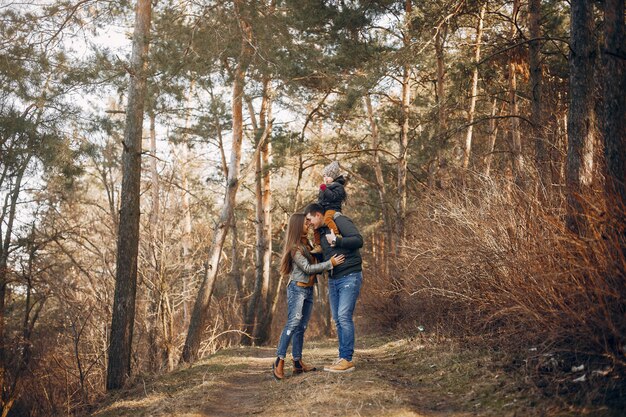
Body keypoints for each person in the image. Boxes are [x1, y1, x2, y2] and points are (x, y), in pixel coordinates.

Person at [272, 213, 345, 380]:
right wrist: (330, 263)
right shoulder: (294, 247)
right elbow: (307, 268)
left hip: (309, 289)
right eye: (306, 223)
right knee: (293, 323)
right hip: (297, 289)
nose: (309, 225)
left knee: (301, 327)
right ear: (298, 226)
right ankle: (279, 360)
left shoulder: (308, 243)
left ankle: (297, 363)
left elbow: (315, 265)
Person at [304, 202, 363, 373]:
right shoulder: (321, 232)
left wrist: (337, 240)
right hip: (334, 278)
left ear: (318, 214)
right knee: (337, 319)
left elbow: (358, 240)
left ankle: (347, 360)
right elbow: (329, 253)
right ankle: (342, 357)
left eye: (310, 219)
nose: (309, 224)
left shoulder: (339, 220)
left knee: (344, 316)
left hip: (349, 275)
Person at [312, 161, 347, 253]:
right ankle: (318, 245)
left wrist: (325, 189)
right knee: (315, 225)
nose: (325, 178)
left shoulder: (338, 186)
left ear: (334, 176)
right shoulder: (326, 186)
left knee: (327, 219)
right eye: (324, 176)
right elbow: (321, 200)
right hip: (324, 209)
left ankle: (336, 235)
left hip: (333, 209)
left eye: (327, 176)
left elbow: (333, 197)